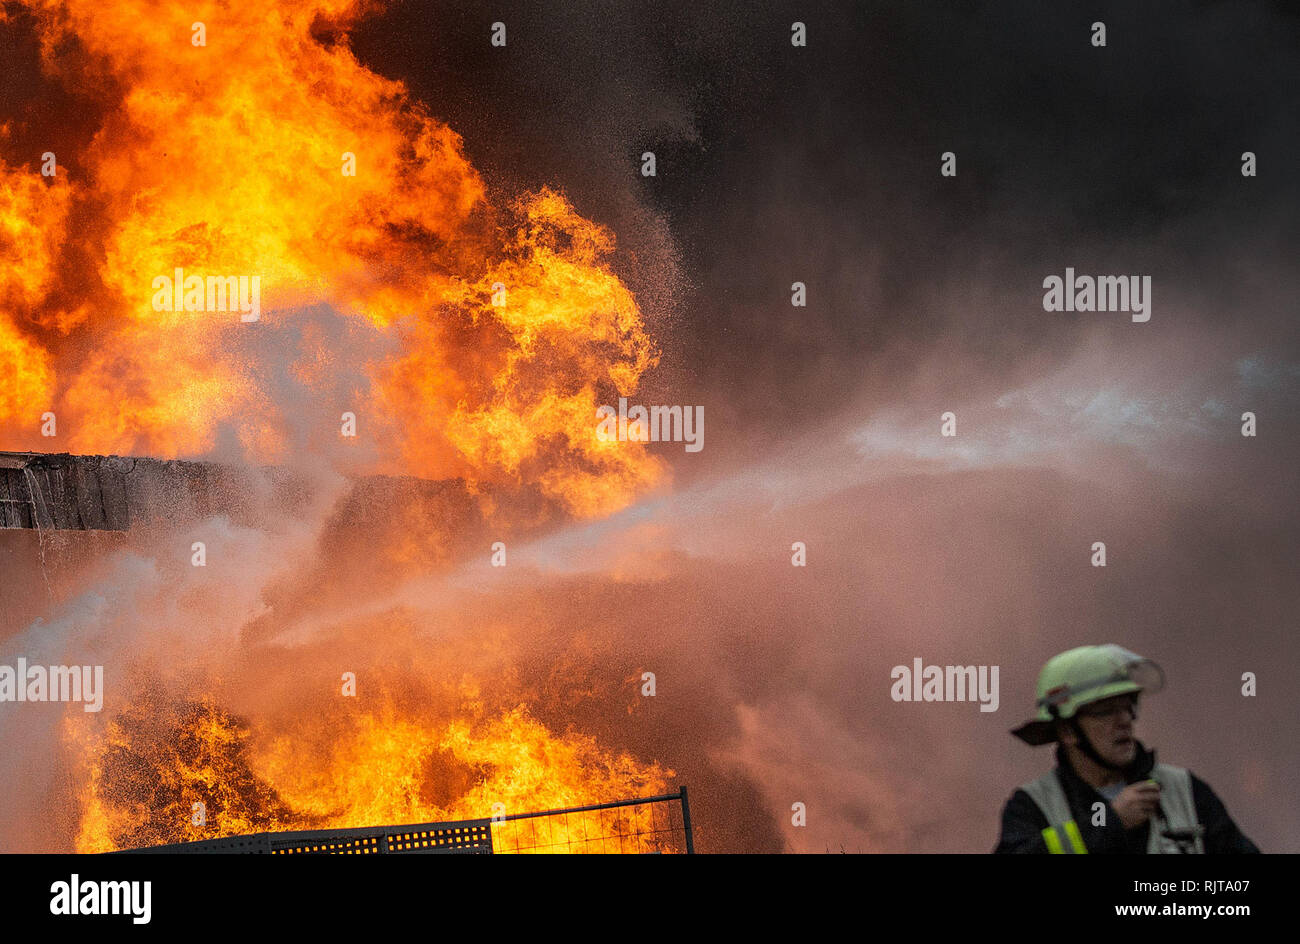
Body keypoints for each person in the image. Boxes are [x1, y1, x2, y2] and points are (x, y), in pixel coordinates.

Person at [994, 644, 1259, 854]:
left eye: (1127, 706)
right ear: (1067, 731)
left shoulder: (1184, 791)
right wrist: (1110, 824)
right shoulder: (1033, 806)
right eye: (1105, 711)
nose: (1123, 721)